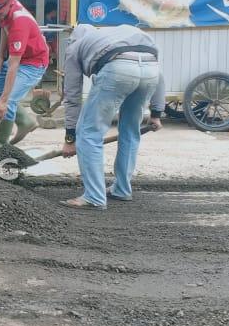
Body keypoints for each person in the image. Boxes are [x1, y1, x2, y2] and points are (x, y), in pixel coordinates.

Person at [58, 24, 165, 211]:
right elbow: (159, 75)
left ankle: (94, 196)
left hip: (117, 68)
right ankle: (122, 189)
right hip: (150, 70)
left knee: (89, 133)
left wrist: (70, 138)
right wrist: (156, 113)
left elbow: (72, 96)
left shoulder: (75, 47)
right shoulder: (115, 35)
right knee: (130, 131)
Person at [0, 0, 49, 149]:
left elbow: (14, 65)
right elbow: (4, 28)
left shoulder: (20, 22)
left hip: (33, 63)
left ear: (8, 5)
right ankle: (25, 121)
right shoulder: (4, 10)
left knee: (8, 101)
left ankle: (0, 145)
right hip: (17, 58)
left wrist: (3, 101)